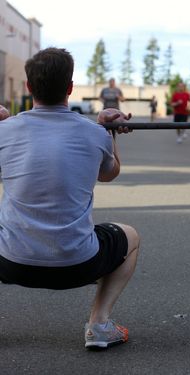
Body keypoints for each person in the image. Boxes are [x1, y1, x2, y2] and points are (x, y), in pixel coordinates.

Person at [0, 47, 140, 350]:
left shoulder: (3, 131)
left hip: (11, 262)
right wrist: (109, 131)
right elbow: (108, 173)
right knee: (130, 236)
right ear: (70, 88)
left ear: (28, 87)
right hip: (79, 263)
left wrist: (4, 122)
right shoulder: (95, 133)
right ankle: (99, 325)